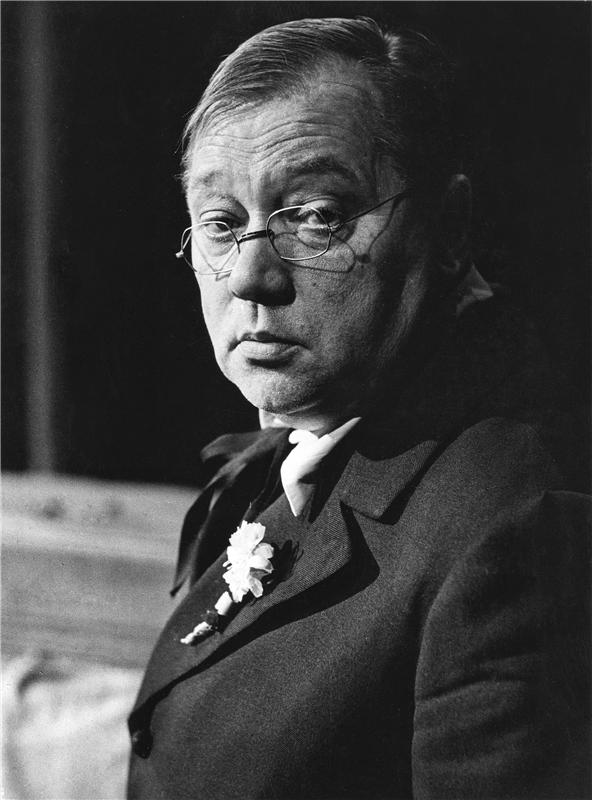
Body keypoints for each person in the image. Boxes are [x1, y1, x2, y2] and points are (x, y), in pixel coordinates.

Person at [127, 17, 589, 800]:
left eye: (316, 215)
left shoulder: (518, 526)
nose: (250, 278)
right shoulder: (337, 428)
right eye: (221, 224)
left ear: (448, 228)